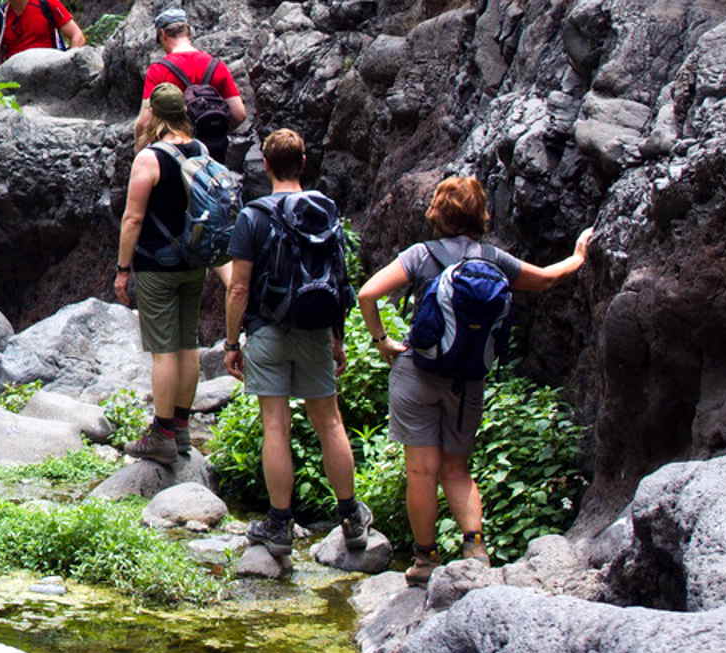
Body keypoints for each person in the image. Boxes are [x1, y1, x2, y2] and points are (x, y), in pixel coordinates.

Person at [355, 175, 594, 585]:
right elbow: (545, 279)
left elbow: (367, 294)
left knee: (421, 471)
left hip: (418, 371)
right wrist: (578, 256)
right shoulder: (492, 258)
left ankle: (425, 560)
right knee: (457, 470)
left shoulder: (420, 255)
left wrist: (382, 341)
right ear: (481, 214)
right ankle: (475, 549)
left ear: (437, 212)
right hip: (468, 378)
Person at [223, 129, 370, 554]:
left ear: (265, 165)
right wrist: (338, 336)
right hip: (316, 328)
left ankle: (280, 525)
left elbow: (238, 289)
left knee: (276, 425)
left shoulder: (253, 215)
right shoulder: (325, 209)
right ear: (302, 162)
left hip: (268, 329)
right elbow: (339, 277)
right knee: (330, 422)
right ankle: (351, 518)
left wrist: (233, 343)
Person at [114, 84, 210, 464]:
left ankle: (162, 433)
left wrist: (123, 269)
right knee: (189, 344)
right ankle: (182, 429)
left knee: (163, 351)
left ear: (153, 114)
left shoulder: (150, 157)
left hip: (157, 264)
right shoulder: (200, 151)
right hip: (194, 262)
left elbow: (133, 217)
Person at [142, 6, 248, 163]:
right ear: (188, 31)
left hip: (175, 157)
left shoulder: (158, 70)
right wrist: (213, 131)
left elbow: (145, 121)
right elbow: (239, 114)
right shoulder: (216, 65)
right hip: (212, 156)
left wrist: (140, 148)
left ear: (163, 35)